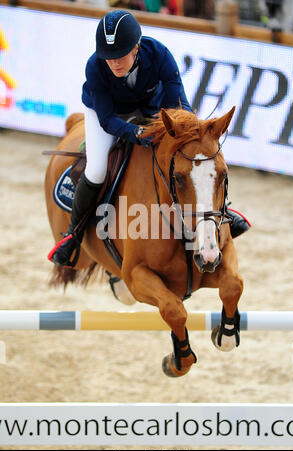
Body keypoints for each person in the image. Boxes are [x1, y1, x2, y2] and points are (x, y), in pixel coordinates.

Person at [49, 10, 249, 267]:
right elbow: (108, 120)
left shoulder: (159, 55)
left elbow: (180, 105)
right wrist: (135, 133)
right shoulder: (95, 66)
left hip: (152, 111)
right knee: (97, 169)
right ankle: (73, 234)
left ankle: (222, 212)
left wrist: (186, 134)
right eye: (108, 58)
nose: (114, 64)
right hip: (107, 113)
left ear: (136, 48)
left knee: (194, 161)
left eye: (120, 56)